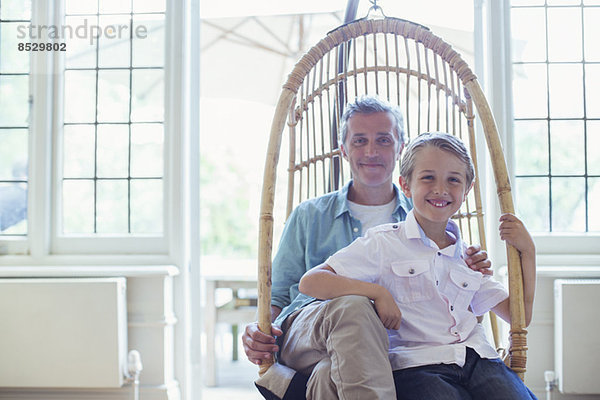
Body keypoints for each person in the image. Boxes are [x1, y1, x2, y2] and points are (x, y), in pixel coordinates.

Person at [244, 97, 492, 400]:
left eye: (383, 140)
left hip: (384, 349)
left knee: (327, 376)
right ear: (344, 149)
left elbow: (456, 306)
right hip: (306, 334)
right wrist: (258, 328)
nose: (371, 151)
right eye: (359, 141)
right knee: (354, 306)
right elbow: (279, 296)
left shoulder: (429, 217)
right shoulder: (309, 215)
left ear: (401, 148)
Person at [299, 132, 537, 400]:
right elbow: (311, 282)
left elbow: (519, 317)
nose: (441, 189)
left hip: (479, 359)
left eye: (453, 180)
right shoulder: (383, 243)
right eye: (428, 178)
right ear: (406, 185)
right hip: (417, 365)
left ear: (467, 190)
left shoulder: (468, 256)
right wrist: (377, 292)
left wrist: (528, 253)